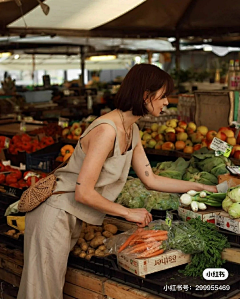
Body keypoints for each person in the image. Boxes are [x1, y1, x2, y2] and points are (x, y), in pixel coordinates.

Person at [17, 64, 217, 299]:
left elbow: (150, 179)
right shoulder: (106, 131)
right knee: (42, 292)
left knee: (49, 288)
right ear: (145, 95)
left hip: (69, 215)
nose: (166, 103)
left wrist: (202, 188)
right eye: (163, 96)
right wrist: (127, 212)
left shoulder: (132, 130)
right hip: (55, 213)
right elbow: (83, 193)